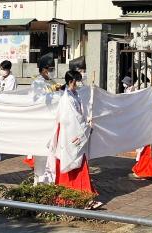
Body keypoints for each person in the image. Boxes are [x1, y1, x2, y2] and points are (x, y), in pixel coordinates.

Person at [49, 70, 97, 194]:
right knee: (72, 158)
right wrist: (85, 126)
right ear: (71, 81)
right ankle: (78, 193)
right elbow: (70, 118)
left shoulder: (75, 94)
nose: (79, 84)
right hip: (70, 132)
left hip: (76, 130)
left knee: (79, 160)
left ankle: (82, 192)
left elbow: (79, 114)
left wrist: (86, 122)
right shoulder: (66, 98)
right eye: (77, 81)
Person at [28, 53, 61, 185]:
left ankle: (50, 180)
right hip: (41, 122)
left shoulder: (51, 82)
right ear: (43, 69)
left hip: (52, 122)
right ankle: (38, 180)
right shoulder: (37, 83)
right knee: (41, 153)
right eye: (50, 69)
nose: (52, 71)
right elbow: (39, 100)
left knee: (51, 154)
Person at [0, 60, 17, 162]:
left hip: (5, 106)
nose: (2, 71)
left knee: (0, 129)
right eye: (1, 69)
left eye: (4, 69)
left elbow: (8, 92)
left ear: (8, 69)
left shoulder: (12, 79)